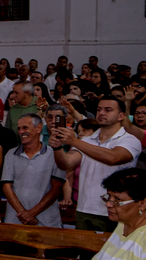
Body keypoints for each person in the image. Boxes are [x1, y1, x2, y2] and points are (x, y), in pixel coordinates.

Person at [52, 97, 141, 232]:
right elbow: (66, 163)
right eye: (99, 109)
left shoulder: (130, 140)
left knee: (114, 246)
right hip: (85, 208)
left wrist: (75, 142)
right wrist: (57, 148)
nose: (101, 113)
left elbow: (113, 158)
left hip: (117, 210)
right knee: (82, 246)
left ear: (121, 116)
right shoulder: (87, 140)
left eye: (108, 110)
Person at [0, 114, 66, 227]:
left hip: (47, 221)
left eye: (25, 128)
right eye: (19, 128)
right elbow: (6, 187)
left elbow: (56, 189)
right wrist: (24, 214)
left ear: (39, 128)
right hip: (15, 220)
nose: (21, 132)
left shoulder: (54, 154)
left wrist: (31, 213)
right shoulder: (11, 154)